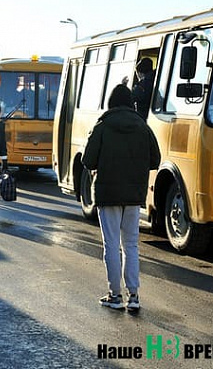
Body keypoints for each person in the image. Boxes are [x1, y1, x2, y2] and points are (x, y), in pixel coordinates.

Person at [82, 84, 161, 311]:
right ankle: (134, 296)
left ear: (111, 103)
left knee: (111, 245)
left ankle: (114, 295)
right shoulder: (142, 127)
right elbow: (155, 160)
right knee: (131, 245)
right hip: (134, 196)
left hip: (108, 195)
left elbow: (88, 161)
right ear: (130, 103)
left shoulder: (103, 126)